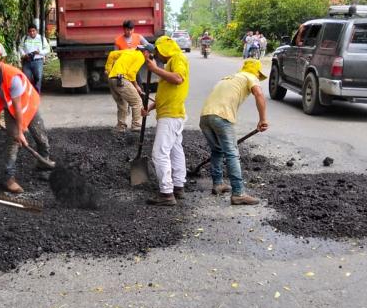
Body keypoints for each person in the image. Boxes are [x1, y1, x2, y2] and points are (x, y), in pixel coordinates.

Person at [0, 50, 54, 194]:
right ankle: (9, 178)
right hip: (10, 108)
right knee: (13, 142)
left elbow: (18, 108)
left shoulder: (13, 77)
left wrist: (21, 132)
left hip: (28, 106)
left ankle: (44, 165)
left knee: (41, 138)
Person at [199, 58, 269, 205]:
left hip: (205, 117)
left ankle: (218, 184)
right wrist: (263, 119)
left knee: (217, 151)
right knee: (232, 154)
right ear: (256, 72)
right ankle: (238, 193)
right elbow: (259, 95)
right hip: (221, 117)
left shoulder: (229, 78)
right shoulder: (250, 77)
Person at [141, 36, 190, 206]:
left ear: (165, 49)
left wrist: (154, 69)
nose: (158, 55)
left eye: (158, 51)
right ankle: (178, 186)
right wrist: (150, 108)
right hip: (173, 113)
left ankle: (167, 193)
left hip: (170, 116)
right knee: (176, 150)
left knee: (159, 153)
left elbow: (177, 79)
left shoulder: (177, 58)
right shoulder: (171, 62)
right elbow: (166, 94)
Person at [104, 45, 152, 132]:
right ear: (146, 52)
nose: (149, 57)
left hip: (112, 79)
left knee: (122, 104)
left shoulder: (129, 51)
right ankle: (136, 125)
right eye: (150, 55)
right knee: (137, 101)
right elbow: (131, 73)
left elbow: (112, 54)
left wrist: (108, 70)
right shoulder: (141, 56)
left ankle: (120, 127)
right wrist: (136, 86)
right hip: (122, 80)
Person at [19, 24, 50, 94]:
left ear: (37, 31)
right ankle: (28, 95)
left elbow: (47, 49)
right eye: (30, 31)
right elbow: (20, 47)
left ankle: (36, 94)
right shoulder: (25, 38)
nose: (32, 33)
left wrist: (40, 52)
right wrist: (24, 54)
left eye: (33, 31)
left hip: (38, 61)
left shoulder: (42, 38)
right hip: (27, 61)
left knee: (38, 78)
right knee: (27, 78)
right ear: (28, 32)